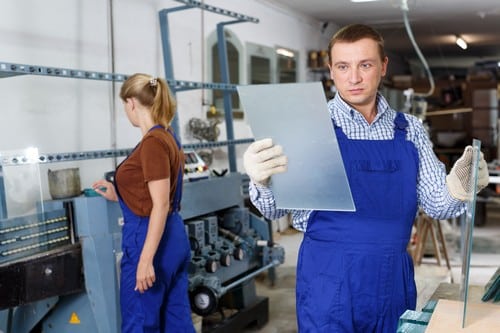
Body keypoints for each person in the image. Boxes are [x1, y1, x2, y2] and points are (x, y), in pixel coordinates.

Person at [243, 24, 489, 333]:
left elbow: (438, 205)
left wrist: (461, 185)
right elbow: (274, 211)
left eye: (365, 65)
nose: (354, 78)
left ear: (383, 66)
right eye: (343, 66)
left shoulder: (410, 130)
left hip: (392, 278)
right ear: (331, 70)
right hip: (327, 277)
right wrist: (261, 181)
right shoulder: (307, 127)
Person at [92, 74, 195, 333]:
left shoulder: (152, 144)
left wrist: (146, 260)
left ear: (131, 103)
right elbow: (157, 195)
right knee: (176, 323)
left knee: (139, 322)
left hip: (149, 240)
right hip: (172, 237)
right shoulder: (168, 136)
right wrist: (120, 194)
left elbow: (159, 204)